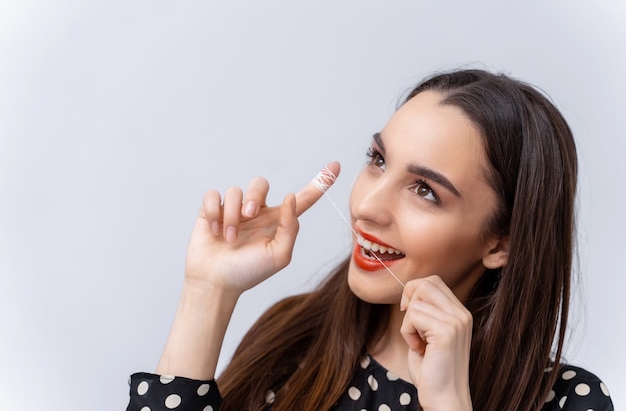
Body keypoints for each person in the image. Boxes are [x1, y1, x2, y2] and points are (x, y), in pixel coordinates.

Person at [126, 69, 613, 411]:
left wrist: (448, 404)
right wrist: (206, 294)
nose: (365, 206)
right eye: (378, 159)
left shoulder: (572, 402)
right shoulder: (292, 338)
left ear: (500, 244)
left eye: (425, 191)